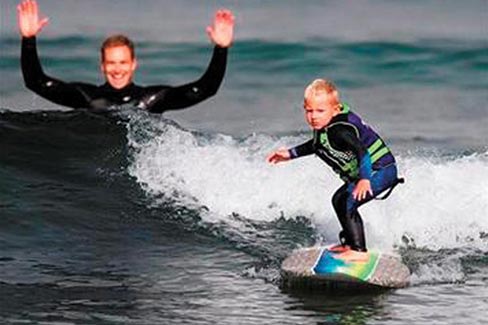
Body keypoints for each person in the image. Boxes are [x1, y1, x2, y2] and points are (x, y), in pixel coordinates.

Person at [17, 0, 234, 113]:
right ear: (102, 66)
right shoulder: (86, 97)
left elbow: (204, 89)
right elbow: (37, 83)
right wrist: (29, 39)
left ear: (133, 65)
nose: (117, 68)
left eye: (122, 62)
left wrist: (221, 49)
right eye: (111, 62)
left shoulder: (152, 100)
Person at [267, 79, 402, 259]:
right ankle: (351, 244)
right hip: (369, 172)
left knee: (348, 202)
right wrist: (289, 154)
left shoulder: (340, 130)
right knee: (339, 199)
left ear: (335, 109)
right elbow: (317, 145)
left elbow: (363, 153)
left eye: (320, 111)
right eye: (309, 111)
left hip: (380, 171)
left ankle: (358, 251)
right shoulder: (325, 125)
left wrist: (364, 179)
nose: (313, 116)